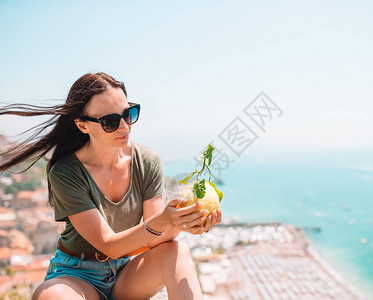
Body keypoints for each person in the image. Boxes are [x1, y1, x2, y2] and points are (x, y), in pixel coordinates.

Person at [0, 72, 222, 300]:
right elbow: (109, 246)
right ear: (82, 125)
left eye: (128, 114)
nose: (124, 127)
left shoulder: (147, 160)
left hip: (127, 272)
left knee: (178, 251)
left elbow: (155, 238)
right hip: (77, 274)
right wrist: (165, 220)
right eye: (110, 122)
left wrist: (182, 223)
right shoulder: (66, 172)